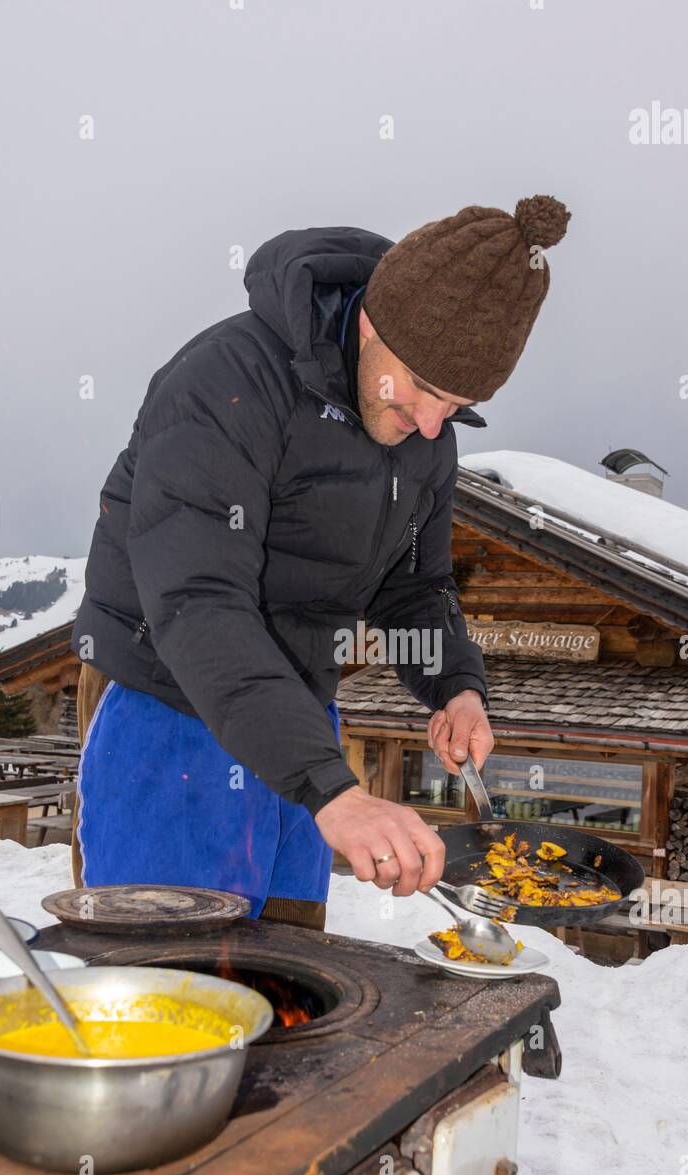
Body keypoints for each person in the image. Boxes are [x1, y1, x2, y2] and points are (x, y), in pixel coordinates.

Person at [70, 193, 571, 927]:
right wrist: (333, 791)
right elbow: (198, 603)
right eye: (424, 392)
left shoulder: (424, 433)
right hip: (173, 706)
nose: (431, 425)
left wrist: (456, 688)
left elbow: (413, 587)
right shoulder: (225, 382)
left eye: (457, 406)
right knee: (165, 974)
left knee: (288, 971)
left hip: (300, 716)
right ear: (372, 322)